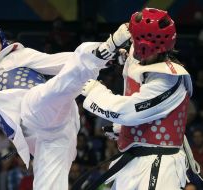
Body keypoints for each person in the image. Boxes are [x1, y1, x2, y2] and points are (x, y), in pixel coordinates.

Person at [0, 23, 130, 189]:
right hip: (48, 142)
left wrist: (108, 59)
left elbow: (58, 61)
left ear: (3, 44)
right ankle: (101, 54)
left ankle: (106, 49)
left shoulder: (15, 55)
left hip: (41, 107)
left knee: (55, 88)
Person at [81, 8, 198, 190]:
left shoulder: (168, 79)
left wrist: (95, 91)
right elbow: (150, 113)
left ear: (146, 44)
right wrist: (126, 130)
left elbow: (128, 112)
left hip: (158, 164)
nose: (131, 42)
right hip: (134, 159)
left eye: (135, 38)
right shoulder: (139, 58)